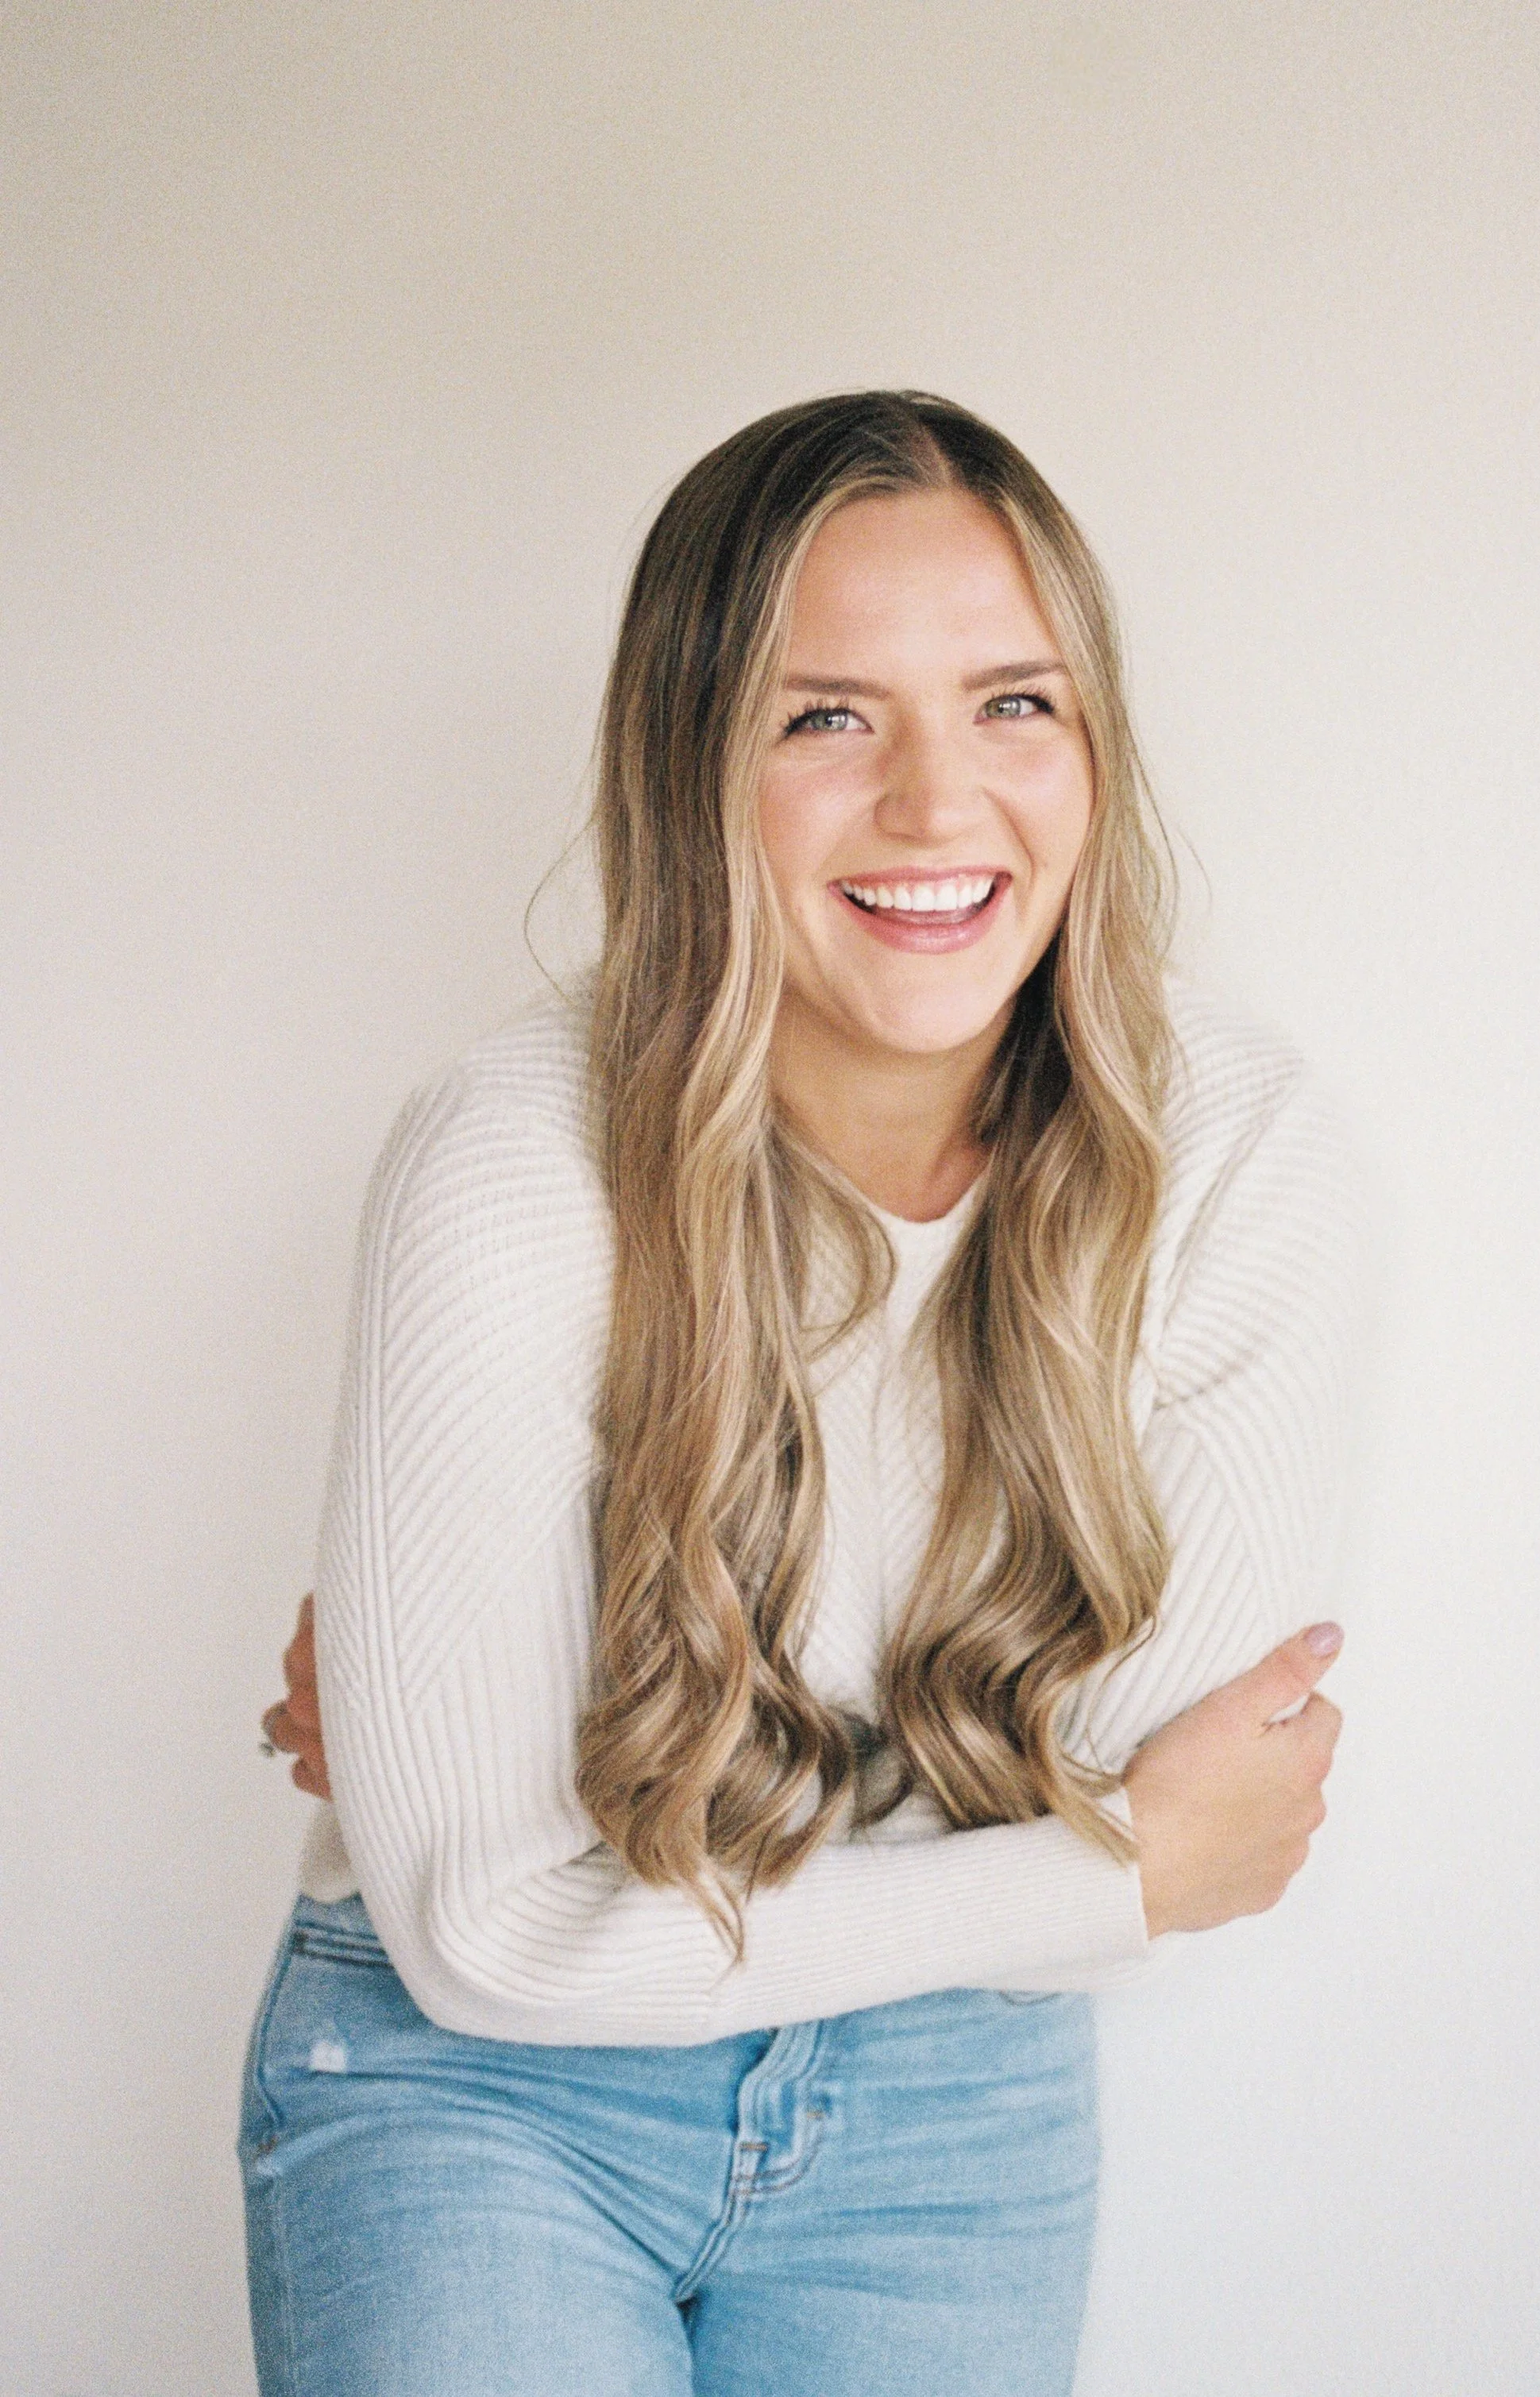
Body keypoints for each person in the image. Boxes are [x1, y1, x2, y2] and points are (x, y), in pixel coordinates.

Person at [245, 390, 1360, 2397]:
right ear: (692, 767)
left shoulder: (1230, 1146)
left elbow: (1187, 1786)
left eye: (1014, 704)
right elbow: (488, 1935)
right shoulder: (511, 1161)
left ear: (1095, 750)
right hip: (488, 2103)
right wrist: (1093, 1864)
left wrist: (591, 1709)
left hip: (952, 2122)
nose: (937, 803)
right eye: (826, 717)